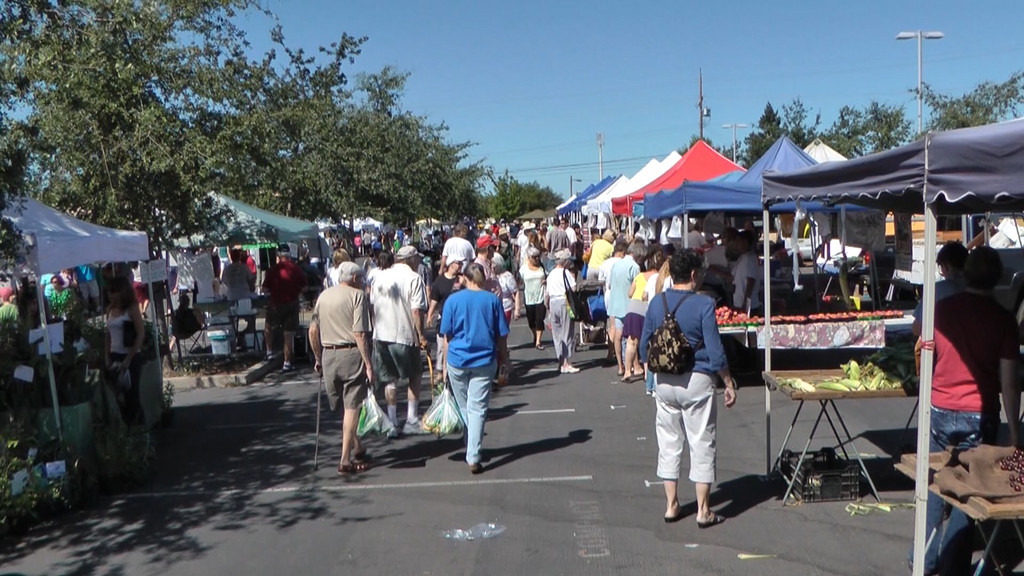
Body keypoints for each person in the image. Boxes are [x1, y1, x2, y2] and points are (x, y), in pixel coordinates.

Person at [915, 246, 1020, 575]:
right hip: (979, 412)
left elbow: (922, 348)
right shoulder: (1002, 320)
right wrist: (1015, 432)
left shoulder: (943, 310)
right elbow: (1009, 383)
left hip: (941, 407)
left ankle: (924, 557)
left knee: (936, 482)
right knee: (968, 489)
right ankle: (952, 564)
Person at [639, 249, 737, 527]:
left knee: (669, 442)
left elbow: (646, 345)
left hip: (665, 381)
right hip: (697, 379)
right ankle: (703, 510)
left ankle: (671, 505)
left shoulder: (657, 303)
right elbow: (716, 352)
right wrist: (728, 382)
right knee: (701, 440)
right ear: (694, 275)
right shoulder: (704, 304)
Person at [439, 262, 510, 474]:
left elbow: (447, 336)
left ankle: (470, 446)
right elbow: (501, 336)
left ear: (466, 278)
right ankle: (473, 453)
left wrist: (443, 367)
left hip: (457, 359)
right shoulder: (492, 301)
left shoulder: (453, 300)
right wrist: (505, 359)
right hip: (484, 359)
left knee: (464, 406)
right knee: (477, 407)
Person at [309, 261, 375, 475]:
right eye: (362, 279)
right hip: (350, 353)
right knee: (352, 405)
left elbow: (312, 331)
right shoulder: (358, 296)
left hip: (328, 353)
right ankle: (345, 459)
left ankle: (357, 445)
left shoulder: (323, 296)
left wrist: (318, 357)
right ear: (355, 279)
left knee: (344, 406)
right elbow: (360, 333)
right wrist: (368, 363)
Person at [370, 245, 430, 437]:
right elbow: (416, 311)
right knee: (415, 375)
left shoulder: (379, 276)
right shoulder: (413, 278)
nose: (419, 261)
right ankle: (411, 418)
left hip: (381, 335)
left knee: (390, 380)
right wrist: (421, 335)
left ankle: (393, 421)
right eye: (417, 258)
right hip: (403, 334)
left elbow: (372, 305)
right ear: (411, 259)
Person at [105, 276, 147, 425]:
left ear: (121, 292)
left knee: (132, 395)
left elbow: (140, 334)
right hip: (115, 354)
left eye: (114, 292)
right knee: (118, 395)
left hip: (131, 356)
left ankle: (140, 430)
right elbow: (108, 335)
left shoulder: (132, 309)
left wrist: (128, 359)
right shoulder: (109, 310)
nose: (111, 295)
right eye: (109, 292)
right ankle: (128, 428)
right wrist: (107, 356)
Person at [262, 245, 307, 372]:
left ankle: (269, 351)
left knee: (268, 326)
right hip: (291, 303)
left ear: (278, 256)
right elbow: (305, 288)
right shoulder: (296, 269)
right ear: (289, 255)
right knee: (288, 333)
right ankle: (286, 363)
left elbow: (264, 289)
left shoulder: (273, 270)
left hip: (275, 303)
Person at [912, 241, 968, 337]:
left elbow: (916, 329)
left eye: (941, 266)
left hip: (944, 348)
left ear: (947, 266)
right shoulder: (978, 287)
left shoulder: (937, 290)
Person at [608, 238, 640, 377]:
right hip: (629, 304)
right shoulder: (634, 267)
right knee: (632, 337)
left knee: (618, 335)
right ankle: (634, 365)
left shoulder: (616, 265)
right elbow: (637, 287)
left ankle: (620, 366)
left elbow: (609, 284)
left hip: (615, 302)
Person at [427, 253, 466, 369]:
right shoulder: (440, 281)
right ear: (450, 264)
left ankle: (455, 368)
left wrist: (465, 283)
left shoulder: (462, 279)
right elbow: (434, 300)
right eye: (458, 263)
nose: (460, 265)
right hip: (444, 317)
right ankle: (440, 372)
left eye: (461, 263)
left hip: (460, 318)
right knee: (441, 347)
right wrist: (430, 315)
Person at [545, 249, 579, 373]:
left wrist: (547, 307)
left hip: (553, 303)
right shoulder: (566, 273)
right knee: (567, 332)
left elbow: (547, 294)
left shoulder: (551, 274)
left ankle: (561, 360)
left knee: (557, 333)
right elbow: (573, 289)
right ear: (564, 261)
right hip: (564, 302)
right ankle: (566, 363)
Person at [519, 246, 547, 350]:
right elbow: (519, 280)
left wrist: (546, 281)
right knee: (531, 320)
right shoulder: (524, 268)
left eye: (538, 257)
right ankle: (535, 335)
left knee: (540, 319)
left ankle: (538, 342)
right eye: (534, 257)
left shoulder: (542, 267)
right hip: (529, 297)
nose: (537, 259)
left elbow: (547, 276)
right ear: (529, 258)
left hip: (540, 296)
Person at [730, 230, 761, 312]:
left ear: (746, 242)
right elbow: (732, 276)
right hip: (738, 303)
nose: (736, 244)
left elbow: (750, 281)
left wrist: (745, 303)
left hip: (747, 306)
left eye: (738, 241)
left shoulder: (749, 258)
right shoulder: (742, 257)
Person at [492, 254, 519, 325]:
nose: (492, 266)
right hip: (492, 307)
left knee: (502, 332)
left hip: (505, 307)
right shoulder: (489, 275)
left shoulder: (507, 276)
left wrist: (517, 309)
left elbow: (515, 292)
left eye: (493, 264)